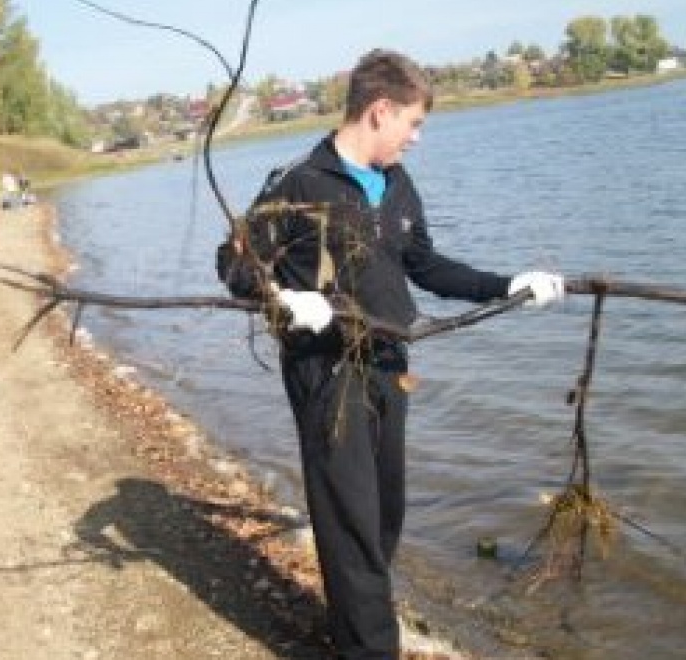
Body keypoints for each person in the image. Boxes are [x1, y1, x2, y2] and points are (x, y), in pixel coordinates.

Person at [216, 49, 565, 660]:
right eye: (413, 123)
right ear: (380, 111)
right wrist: (287, 297)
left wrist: (507, 285)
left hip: (388, 365)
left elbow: (425, 264)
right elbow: (235, 263)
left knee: (383, 514)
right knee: (349, 520)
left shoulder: (397, 184)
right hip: (326, 372)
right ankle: (371, 649)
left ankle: (362, 620)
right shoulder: (297, 183)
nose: (417, 138)